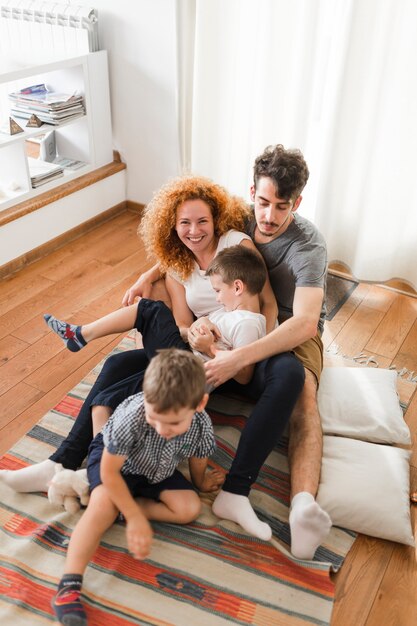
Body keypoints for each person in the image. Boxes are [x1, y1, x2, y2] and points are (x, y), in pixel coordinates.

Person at [1, 168, 307, 552]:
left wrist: (246, 343)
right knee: (117, 366)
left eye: (202, 221)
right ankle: (63, 462)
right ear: (172, 225)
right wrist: (196, 333)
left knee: (149, 316)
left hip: (234, 351)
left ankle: (84, 344)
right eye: (184, 223)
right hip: (196, 348)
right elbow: (181, 324)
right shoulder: (177, 266)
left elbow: (262, 299)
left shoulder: (235, 244)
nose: (195, 231)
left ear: (216, 220)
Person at [51, 349, 220, 626]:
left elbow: (198, 457)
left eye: (174, 423)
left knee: (190, 508)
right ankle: (68, 586)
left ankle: (117, 505)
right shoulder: (133, 415)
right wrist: (135, 517)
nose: (163, 429)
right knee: (103, 504)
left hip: (158, 471)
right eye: (155, 418)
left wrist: (201, 482)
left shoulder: (201, 424)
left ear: (200, 403)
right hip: (117, 465)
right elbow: (110, 470)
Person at [43, 245, 269, 387]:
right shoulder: (229, 312)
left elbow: (244, 376)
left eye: (218, 291)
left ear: (238, 287)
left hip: (188, 374)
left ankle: (82, 334)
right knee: (115, 364)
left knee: (152, 309)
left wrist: (209, 348)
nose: (217, 298)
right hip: (185, 359)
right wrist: (200, 324)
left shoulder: (248, 323)